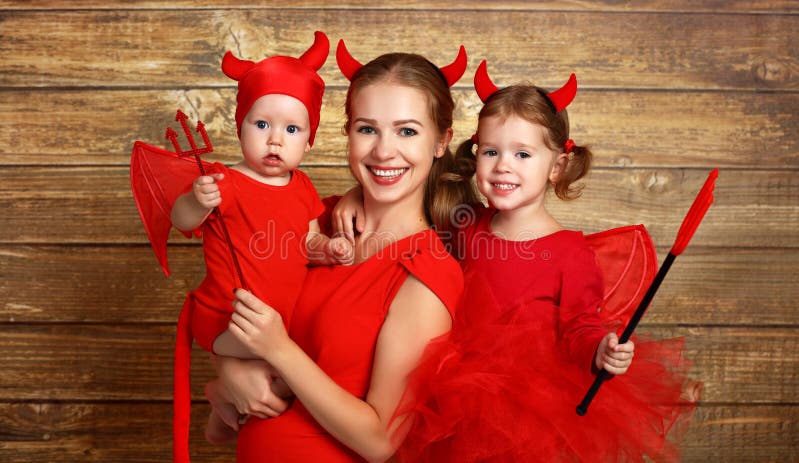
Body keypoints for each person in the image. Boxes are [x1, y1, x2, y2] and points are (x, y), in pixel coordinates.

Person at [390, 61, 699, 462]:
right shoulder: (466, 224)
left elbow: (580, 327)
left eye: (522, 154)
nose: (503, 165)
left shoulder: (570, 253)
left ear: (557, 167)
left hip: (527, 411)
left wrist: (599, 351)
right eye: (491, 151)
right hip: (454, 395)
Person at [208, 40, 473, 462]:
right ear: (347, 132)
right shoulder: (315, 221)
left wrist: (278, 350)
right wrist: (230, 374)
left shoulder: (426, 273)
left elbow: (381, 441)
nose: (384, 151)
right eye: (367, 129)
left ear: (441, 141)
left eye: (407, 131)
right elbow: (232, 300)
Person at [167, 31, 354, 462]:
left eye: (291, 129)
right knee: (297, 363)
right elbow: (182, 222)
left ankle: (223, 408)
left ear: (308, 141)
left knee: (291, 379)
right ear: (240, 127)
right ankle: (226, 390)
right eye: (262, 124)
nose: (275, 139)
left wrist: (329, 249)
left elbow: (308, 243)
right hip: (228, 314)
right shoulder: (223, 182)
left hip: (273, 323)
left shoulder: (303, 186)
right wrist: (196, 201)